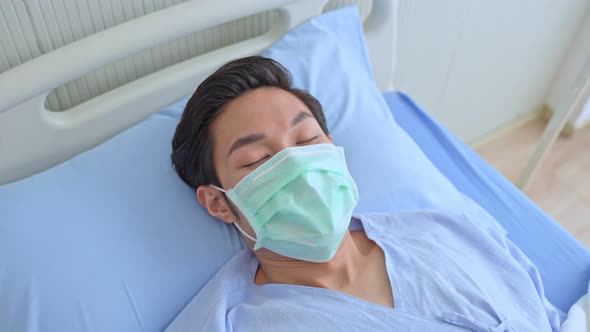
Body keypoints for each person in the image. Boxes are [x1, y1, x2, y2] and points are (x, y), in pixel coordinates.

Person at [167, 56, 564, 331]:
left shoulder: (451, 230)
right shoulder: (233, 322)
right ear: (218, 202)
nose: (297, 166)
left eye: (307, 139)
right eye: (258, 160)